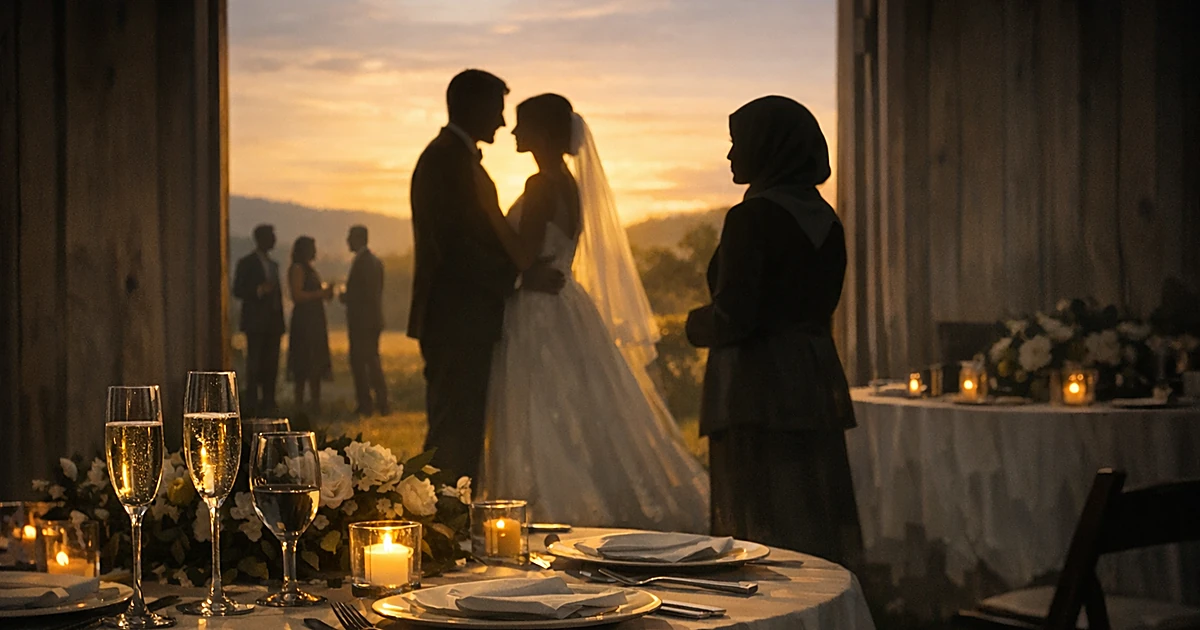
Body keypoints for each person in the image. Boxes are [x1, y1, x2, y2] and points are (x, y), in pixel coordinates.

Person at [478, 94, 709, 532]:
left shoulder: (541, 185)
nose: (513, 132)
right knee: (576, 409)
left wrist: (491, 214)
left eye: (521, 125)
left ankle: (551, 514)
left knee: (540, 410)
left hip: (538, 310)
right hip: (566, 301)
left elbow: (525, 256)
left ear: (543, 134)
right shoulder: (569, 183)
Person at [686, 96, 863, 566]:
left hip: (755, 389)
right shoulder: (825, 220)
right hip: (810, 381)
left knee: (756, 521)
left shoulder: (750, 217)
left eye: (736, 144)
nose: (729, 156)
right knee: (808, 512)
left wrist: (690, 325)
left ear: (768, 148)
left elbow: (736, 317)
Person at [408, 69, 564, 480]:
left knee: (464, 433)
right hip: (456, 319)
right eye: (496, 109)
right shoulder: (444, 160)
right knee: (454, 436)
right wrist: (517, 279)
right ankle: (444, 526)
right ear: (473, 107)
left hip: (467, 318)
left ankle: (452, 523)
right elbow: (455, 249)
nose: (500, 121)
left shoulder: (456, 158)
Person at [232, 224, 285, 415]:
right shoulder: (246, 263)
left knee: (272, 364)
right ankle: (252, 402)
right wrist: (258, 290)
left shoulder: (273, 265)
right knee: (254, 364)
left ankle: (269, 401)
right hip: (255, 323)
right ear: (261, 239)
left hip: (273, 324)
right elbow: (237, 290)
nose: (274, 240)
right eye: (271, 236)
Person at [341, 225, 389, 416]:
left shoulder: (363, 262)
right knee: (372, 361)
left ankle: (367, 403)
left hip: (362, 323)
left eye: (350, 237)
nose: (347, 241)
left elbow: (363, 294)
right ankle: (380, 402)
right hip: (372, 321)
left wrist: (345, 297)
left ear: (359, 238)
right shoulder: (375, 261)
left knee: (361, 363)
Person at [286, 236, 333, 409]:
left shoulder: (308, 268)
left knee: (314, 362)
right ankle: (301, 403)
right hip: (305, 322)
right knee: (304, 361)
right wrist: (320, 294)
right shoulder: (298, 268)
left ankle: (315, 402)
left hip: (314, 321)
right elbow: (297, 295)